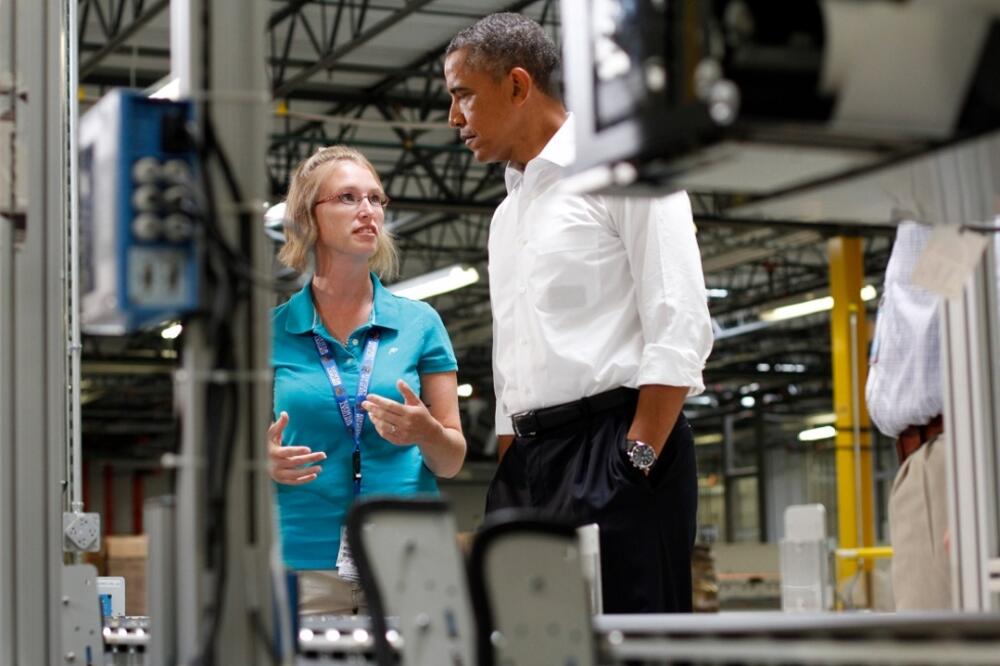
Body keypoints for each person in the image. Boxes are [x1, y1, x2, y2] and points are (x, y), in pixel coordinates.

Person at [444, 14, 713, 613]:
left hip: (616, 451)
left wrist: (636, 458)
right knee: (521, 643)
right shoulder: (506, 215)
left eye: (463, 95)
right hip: (528, 466)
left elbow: (681, 319)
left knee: (632, 646)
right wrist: (513, 456)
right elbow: (513, 353)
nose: (453, 119)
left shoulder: (626, 171)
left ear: (517, 86)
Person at [268, 145, 467, 615]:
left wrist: (427, 432)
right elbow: (229, 452)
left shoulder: (421, 323)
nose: (368, 211)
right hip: (303, 562)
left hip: (410, 557)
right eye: (348, 198)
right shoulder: (269, 333)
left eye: (376, 199)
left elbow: (452, 460)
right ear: (308, 217)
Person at [865, 221, 951, 610]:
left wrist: (646, 457)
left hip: (959, 453)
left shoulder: (966, 195)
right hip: (930, 456)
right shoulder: (938, 209)